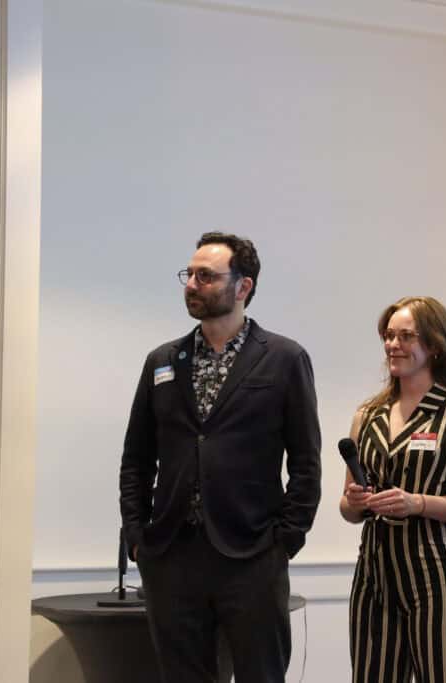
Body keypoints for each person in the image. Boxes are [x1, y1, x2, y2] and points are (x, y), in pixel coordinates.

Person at [119, 231, 322, 683]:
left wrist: (284, 541)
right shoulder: (163, 361)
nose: (192, 284)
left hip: (251, 556)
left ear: (243, 286)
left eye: (206, 276)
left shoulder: (285, 359)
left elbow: (306, 462)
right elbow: (136, 459)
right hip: (171, 556)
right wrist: (138, 536)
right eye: (188, 274)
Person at [340, 296, 446, 683]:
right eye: (389, 336)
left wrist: (418, 503)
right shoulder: (367, 415)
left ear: (435, 345)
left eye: (406, 336)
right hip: (374, 576)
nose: (393, 345)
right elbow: (347, 507)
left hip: (437, 575)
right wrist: (355, 502)